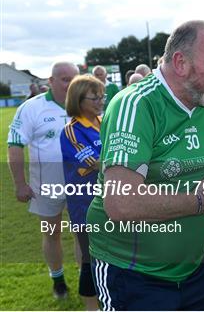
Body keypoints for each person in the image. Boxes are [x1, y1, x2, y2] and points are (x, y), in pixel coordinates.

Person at [86, 20, 204, 310]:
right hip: (133, 274)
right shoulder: (137, 105)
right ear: (180, 62)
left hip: (194, 268)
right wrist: (201, 202)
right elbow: (121, 204)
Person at [7, 61, 79, 299]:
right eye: (65, 79)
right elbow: (15, 145)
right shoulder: (32, 108)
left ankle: (86, 278)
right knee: (52, 233)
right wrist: (19, 184)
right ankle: (57, 279)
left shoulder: (85, 104)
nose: (70, 84)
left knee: (84, 233)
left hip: (82, 185)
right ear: (51, 81)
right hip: (46, 187)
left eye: (74, 78)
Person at [60, 75, 104, 310]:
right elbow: (95, 161)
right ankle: (91, 307)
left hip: (112, 201)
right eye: (94, 97)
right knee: (90, 260)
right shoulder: (70, 131)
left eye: (102, 96)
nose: (100, 101)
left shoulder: (104, 121)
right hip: (86, 206)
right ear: (78, 100)